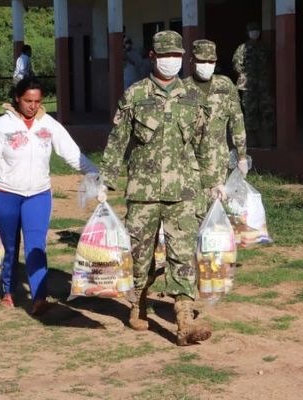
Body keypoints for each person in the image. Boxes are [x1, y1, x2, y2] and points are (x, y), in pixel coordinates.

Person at [97, 31, 228, 346]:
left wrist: (214, 182)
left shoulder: (193, 97)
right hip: (143, 192)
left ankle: (184, 322)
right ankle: (138, 302)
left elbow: (204, 143)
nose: (172, 61)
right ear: (152, 57)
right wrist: (105, 180)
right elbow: (118, 142)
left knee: (182, 255)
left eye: (177, 56)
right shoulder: (135, 95)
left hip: (184, 192)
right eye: (166, 55)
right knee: (140, 255)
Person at [0, 78, 98, 315]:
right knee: (10, 246)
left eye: (37, 101)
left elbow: (70, 152)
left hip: (38, 195)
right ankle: (9, 290)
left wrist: (92, 172)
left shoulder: (49, 124)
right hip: (5, 195)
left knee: (36, 245)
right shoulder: (2, 125)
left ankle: (39, 296)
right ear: (17, 98)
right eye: (28, 101)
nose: (32, 106)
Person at [184, 39, 249, 189]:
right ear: (192, 61)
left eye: (211, 61)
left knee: (217, 207)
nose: (207, 65)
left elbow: (237, 122)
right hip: (188, 162)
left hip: (217, 162)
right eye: (202, 60)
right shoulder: (182, 89)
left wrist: (242, 156)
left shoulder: (225, 86)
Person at [232, 22, 275, 147]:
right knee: (250, 112)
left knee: (267, 110)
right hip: (249, 86)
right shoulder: (242, 48)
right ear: (248, 33)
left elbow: (270, 61)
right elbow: (236, 64)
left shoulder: (265, 47)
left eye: (256, 30)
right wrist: (246, 75)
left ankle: (268, 140)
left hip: (263, 85)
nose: (254, 33)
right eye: (252, 31)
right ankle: (253, 141)